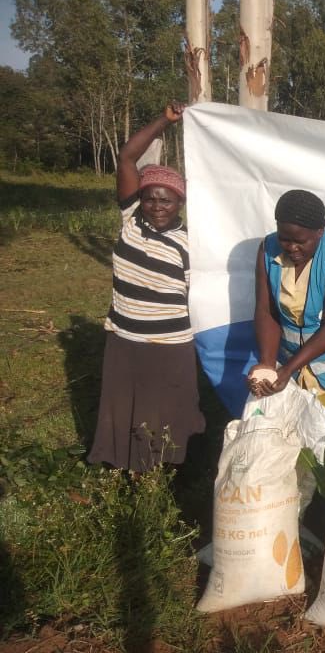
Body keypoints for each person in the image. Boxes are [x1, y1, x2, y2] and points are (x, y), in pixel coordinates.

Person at [88, 102, 205, 472]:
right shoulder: (131, 221)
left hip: (169, 345)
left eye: (166, 200)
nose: (157, 206)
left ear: (180, 203)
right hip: (124, 339)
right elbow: (127, 157)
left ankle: (164, 476)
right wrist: (164, 121)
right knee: (122, 407)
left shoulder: (190, 242)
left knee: (166, 412)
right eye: (150, 197)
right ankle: (123, 468)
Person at [248, 189, 325, 410]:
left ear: (320, 231)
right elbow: (266, 310)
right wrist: (267, 364)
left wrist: (287, 369)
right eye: (284, 239)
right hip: (294, 373)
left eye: (300, 241)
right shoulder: (267, 248)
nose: (291, 247)